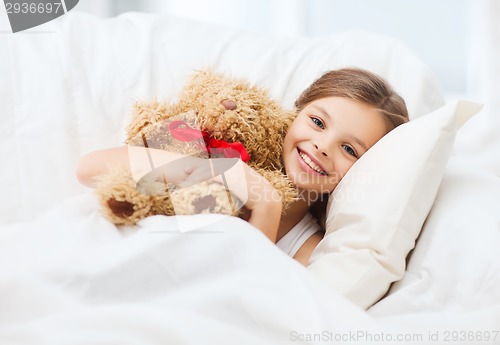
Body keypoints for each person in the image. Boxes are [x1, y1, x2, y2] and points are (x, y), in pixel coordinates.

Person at [76, 68, 408, 266]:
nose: (323, 145)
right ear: (295, 114)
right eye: (317, 121)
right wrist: (200, 166)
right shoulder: (219, 140)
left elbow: (243, 295)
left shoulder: (308, 246)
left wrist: (266, 205)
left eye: (349, 149)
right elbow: (90, 169)